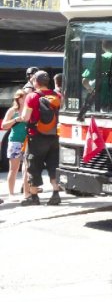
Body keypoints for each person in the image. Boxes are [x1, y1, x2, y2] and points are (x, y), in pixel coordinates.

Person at [19, 71, 61, 206]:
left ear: (36, 82)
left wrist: (18, 118)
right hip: (54, 137)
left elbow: (26, 117)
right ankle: (56, 194)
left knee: (33, 166)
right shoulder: (57, 95)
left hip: (36, 137)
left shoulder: (32, 96)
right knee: (53, 165)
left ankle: (34, 197)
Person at [2, 90, 28, 200]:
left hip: (27, 142)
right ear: (18, 99)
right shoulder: (12, 110)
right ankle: (11, 194)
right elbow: (4, 125)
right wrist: (16, 119)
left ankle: (26, 192)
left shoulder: (28, 110)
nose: (26, 99)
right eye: (24, 97)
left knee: (27, 168)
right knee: (14, 169)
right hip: (15, 141)